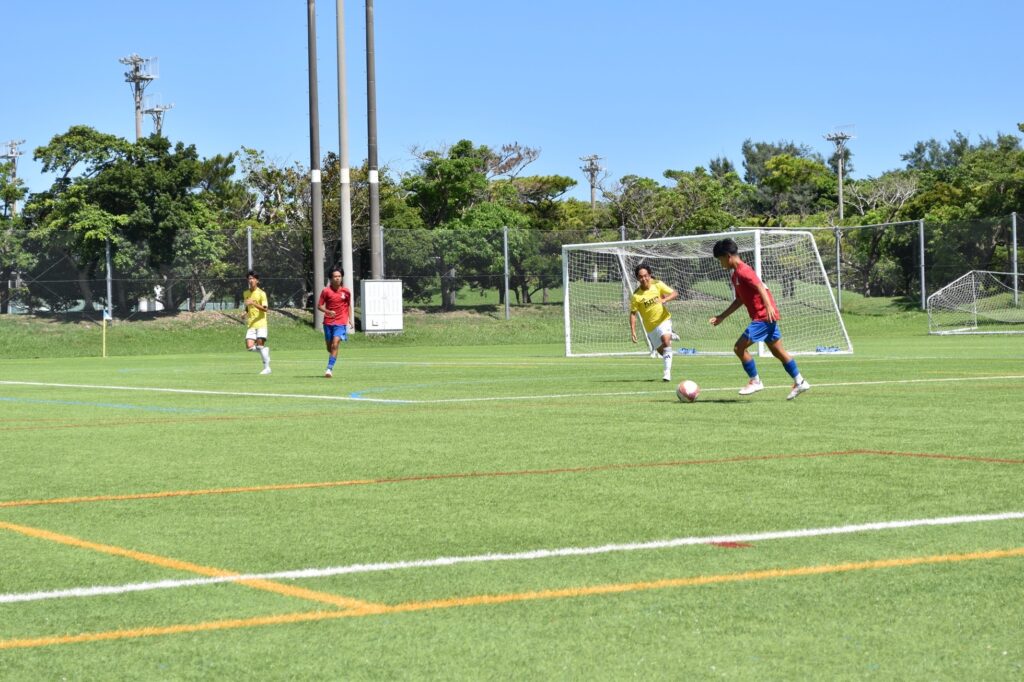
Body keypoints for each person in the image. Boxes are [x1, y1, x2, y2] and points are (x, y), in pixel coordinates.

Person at [709, 238, 810, 400]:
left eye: (720, 260)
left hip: (763, 317)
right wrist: (722, 316)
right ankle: (800, 381)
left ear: (728, 256)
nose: (721, 264)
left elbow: (760, 286)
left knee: (739, 348)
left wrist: (769, 306)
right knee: (778, 352)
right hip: (765, 317)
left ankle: (755, 381)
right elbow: (739, 300)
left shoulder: (744, 270)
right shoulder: (735, 275)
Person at [629, 264, 679, 381]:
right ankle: (670, 334)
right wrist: (633, 331)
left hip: (663, 320)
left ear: (650, 275)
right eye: (640, 277)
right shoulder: (636, 296)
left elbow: (675, 293)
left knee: (666, 342)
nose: (644, 279)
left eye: (646, 275)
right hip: (650, 328)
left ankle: (666, 373)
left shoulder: (658, 284)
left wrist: (664, 299)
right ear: (637, 278)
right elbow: (633, 314)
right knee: (663, 353)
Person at [317, 266, 352, 378]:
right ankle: (333, 354)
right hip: (328, 322)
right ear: (331, 278)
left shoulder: (346, 291)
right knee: (330, 347)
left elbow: (348, 305)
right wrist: (328, 311)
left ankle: (329, 369)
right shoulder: (326, 291)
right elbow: (319, 306)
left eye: (339, 276)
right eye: (335, 276)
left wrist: (350, 320)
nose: (337, 278)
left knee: (335, 344)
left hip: (341, 322)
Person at [243, 270, 271, 375]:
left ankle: (267, 368)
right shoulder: (246, 293)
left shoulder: (261, 293)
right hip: (251, 324)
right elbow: (248, 307)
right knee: (250, 347)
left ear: (257, 280)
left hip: (261, 324)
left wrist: (253, 303)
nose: (251, 280)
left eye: (253, 279)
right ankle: (264, 351)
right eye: (249, 279)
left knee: (259, 346)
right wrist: (245, 313)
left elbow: (265, 309)